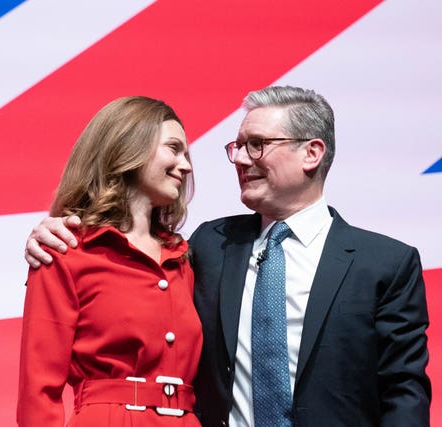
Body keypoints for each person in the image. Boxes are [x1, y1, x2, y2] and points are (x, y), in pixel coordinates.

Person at [23, 86, 431, 426]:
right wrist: (51, 231)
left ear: (312, 153)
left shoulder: (385, 264)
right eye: (237, 146)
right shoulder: (208, 247)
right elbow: (125, 268)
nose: (238, 158)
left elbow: (403, 391)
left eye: (257, 145)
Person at [17, 96, 204, 426]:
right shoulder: (65, 251)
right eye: (174, 149)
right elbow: (38, 392)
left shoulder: (183, 258)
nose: (186, 165)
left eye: (186, 154)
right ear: (128, 148)